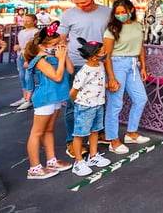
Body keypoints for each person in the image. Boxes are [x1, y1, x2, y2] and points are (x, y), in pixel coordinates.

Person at [58, 0, 112, 158]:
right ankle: (72, 141)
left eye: (84, 2)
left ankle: (99, 132)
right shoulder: (68, 15)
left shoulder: (107, 12)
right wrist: (63, 61)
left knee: (99, 99)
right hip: (76, 62)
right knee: (74, 103)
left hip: (100, 62)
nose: (81, 6)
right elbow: (61, 39)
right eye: (77, 3)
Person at [24, 21, 73, 179]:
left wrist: (65, 56)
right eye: (55, 44)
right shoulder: (40, 60)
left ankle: (51, 160)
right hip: (46, 98)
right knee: (37, 132)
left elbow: (70, 71)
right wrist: (61, 57)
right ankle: (34, 168)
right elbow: (57, 77)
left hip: (56, 97)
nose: (59, 46)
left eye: (60, 43)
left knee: (49, 130)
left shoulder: (55, 56)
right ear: (41, 45)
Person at [103, 0, 149, 154]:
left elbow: (140, 46)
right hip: (117, 64)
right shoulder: (111, 29)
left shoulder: (137, 26)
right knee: (115, 103)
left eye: (123, 12)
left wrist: (143, 66)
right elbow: (107, 55)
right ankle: (113, 139)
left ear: (130, 10)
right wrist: (111, 77)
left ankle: (131, 132)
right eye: (117, 13)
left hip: (132, 64)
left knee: (140, 98)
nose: (120, 15)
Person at [70, 38, 111, 176]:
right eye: (103, 51)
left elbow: (97, 83)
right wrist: (80, 102)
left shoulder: (99, 65)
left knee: (95, 131)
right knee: (80, 134)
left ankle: (93, 156)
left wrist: (106, 86)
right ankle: (78, 161)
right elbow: (73, 91)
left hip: (98, 104)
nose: (105, 53)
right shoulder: (84, 71)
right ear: (94, 56)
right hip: (85, 106)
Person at [11, 14, 40, 110]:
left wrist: (28, 58)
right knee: (22, 76)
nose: (25, 23)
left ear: (35, 21)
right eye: (24, 21)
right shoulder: (22, 31)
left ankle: (29, 99)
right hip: (21, 55)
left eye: (28, 21)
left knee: (28, 77)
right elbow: (22, 44)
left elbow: (34, 46)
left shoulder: (36, 32)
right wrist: (19, 48)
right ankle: (24, 97)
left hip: (29, 56)